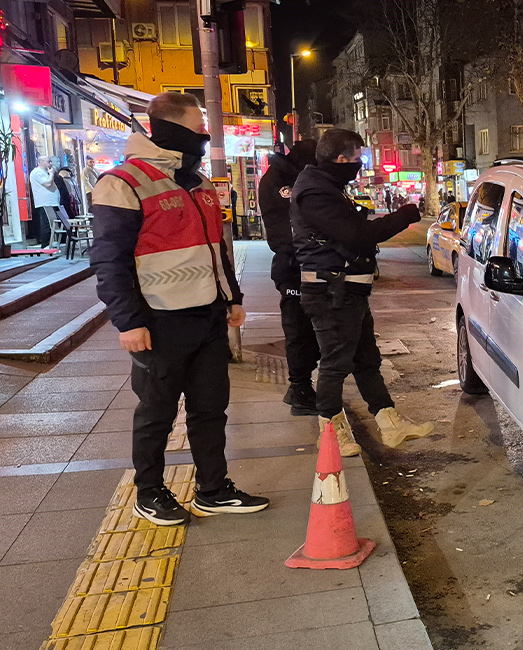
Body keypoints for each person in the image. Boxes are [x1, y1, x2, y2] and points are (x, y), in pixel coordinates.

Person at [90, 91, 269, 526]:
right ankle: (149, 491)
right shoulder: (124, 182)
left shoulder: (200, 183)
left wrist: (232, 297)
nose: (204, 135)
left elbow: (216, 249)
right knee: (157, 412)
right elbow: (109, 260)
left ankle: (213, 489)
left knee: (210, 408)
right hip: (158, 319)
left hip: (207, 315)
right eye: (198, 128)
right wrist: (128, 322)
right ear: (170, 128)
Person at [291, 128, 434, 456]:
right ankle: (331, 432)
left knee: (366, 360)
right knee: (335, 363)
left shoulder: (325, 186)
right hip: (331, 291)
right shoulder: (315, 191)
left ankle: (390, 422)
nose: (360, 164)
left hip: (346, 289)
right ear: (341, 159)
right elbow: (357, 235)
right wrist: (404, 216)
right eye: (357, 158)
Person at [259, 139, 320, 415]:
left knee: (308, 330)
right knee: (299, 329)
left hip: (298, 263)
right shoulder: (281, 182)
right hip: (294, 265)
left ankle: (299, 387)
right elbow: (288, 228)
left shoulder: (289, 177)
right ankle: (300, 389)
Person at [29, 156, 61, 248]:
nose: (50, 163)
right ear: (41, 162)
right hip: (45, 202)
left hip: (51, 202)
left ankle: (52, 241)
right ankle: (45, 243)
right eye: (48, 161)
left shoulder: (45, 172)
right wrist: (51, 174)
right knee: (47, 223)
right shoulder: (37, 172)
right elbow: (47, 183)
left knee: (53, 223)